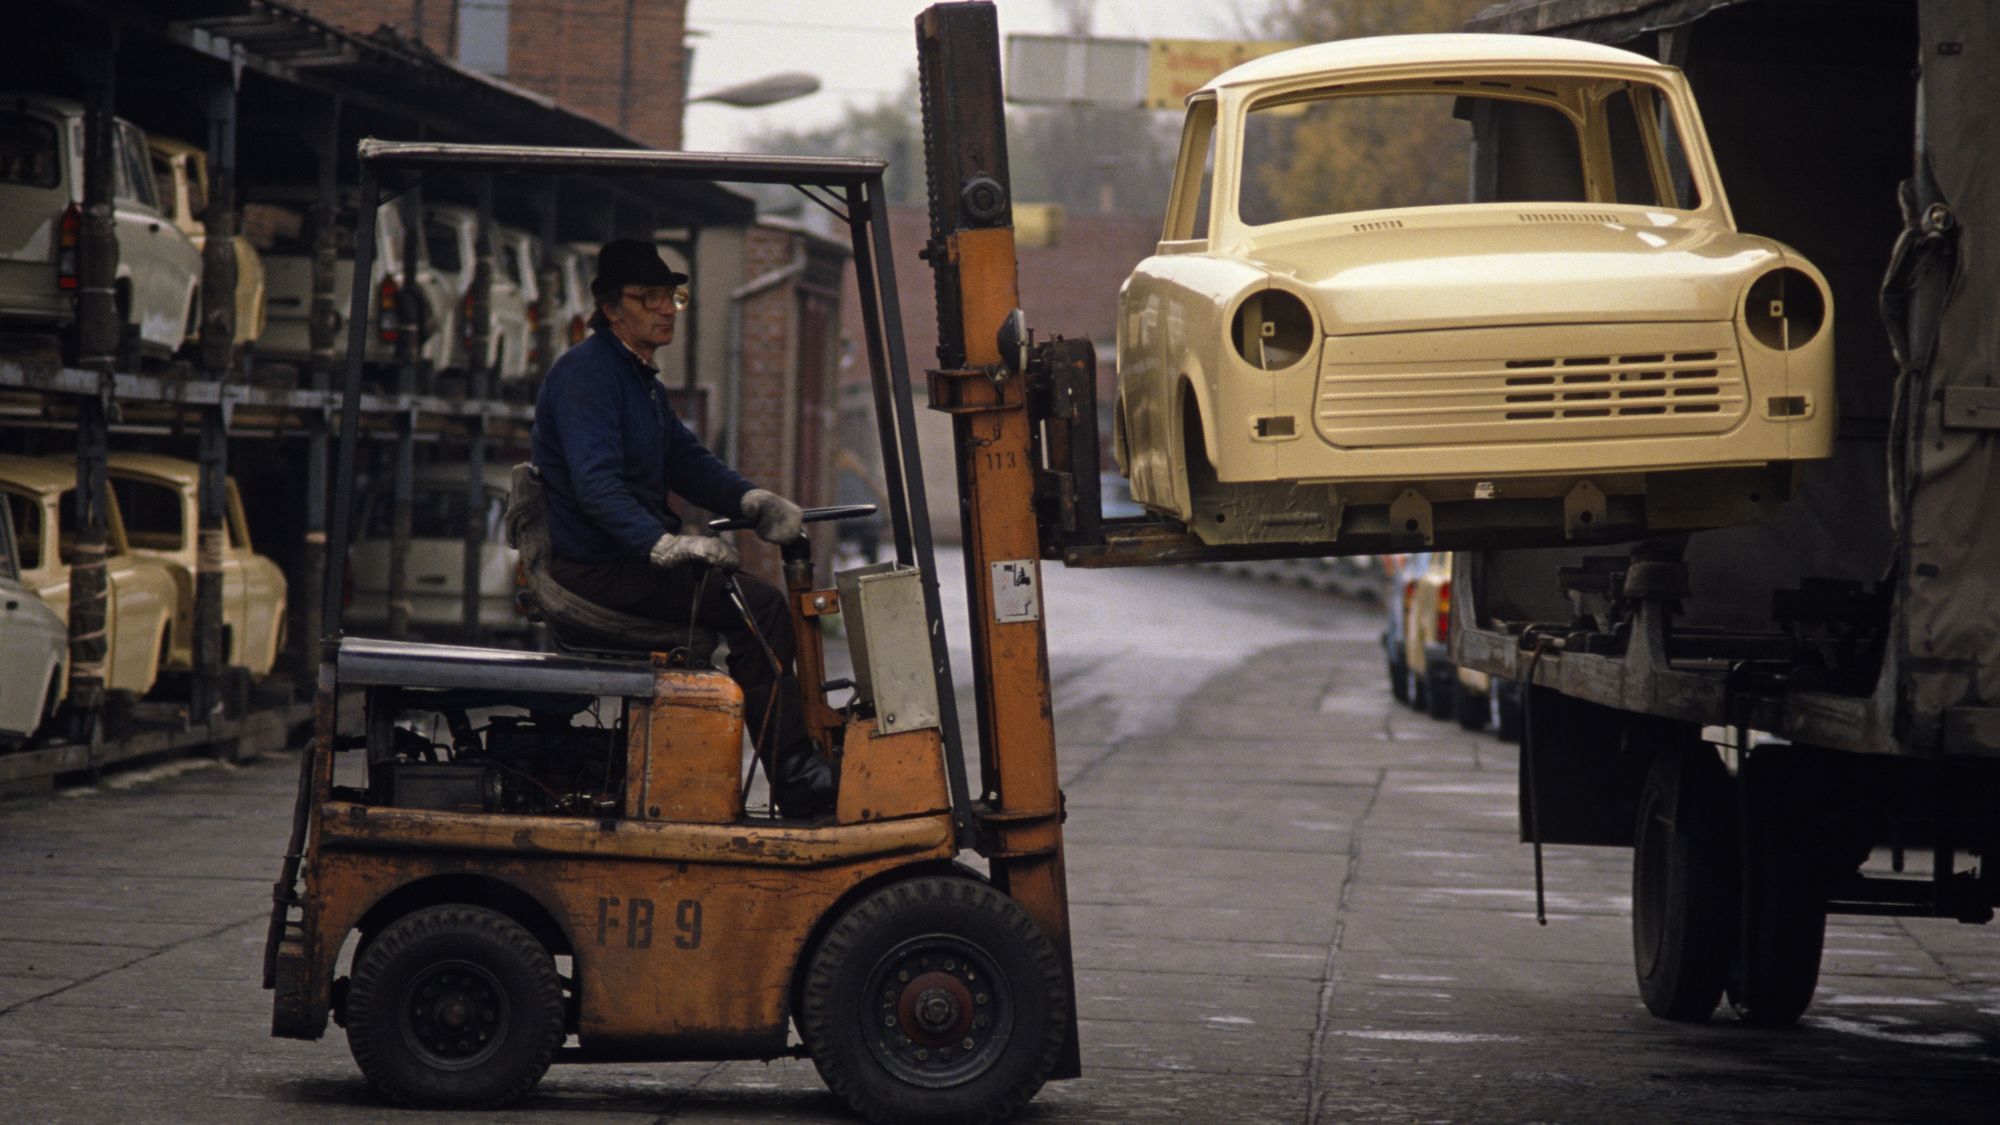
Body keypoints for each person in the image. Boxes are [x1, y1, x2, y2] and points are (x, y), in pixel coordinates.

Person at [531, 239, 834, 818]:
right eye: (648, 298)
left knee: (758, 604)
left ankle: (791, 760)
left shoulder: (639, 381)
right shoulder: (587, 377)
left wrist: (754, 501)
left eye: (671, 297)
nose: (665, 309)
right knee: (762, 610)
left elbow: (689, 462)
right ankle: (796, 778)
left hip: (625, 561)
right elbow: (597, 487)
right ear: (611, 307)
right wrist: (661, 543)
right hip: (596, 568)